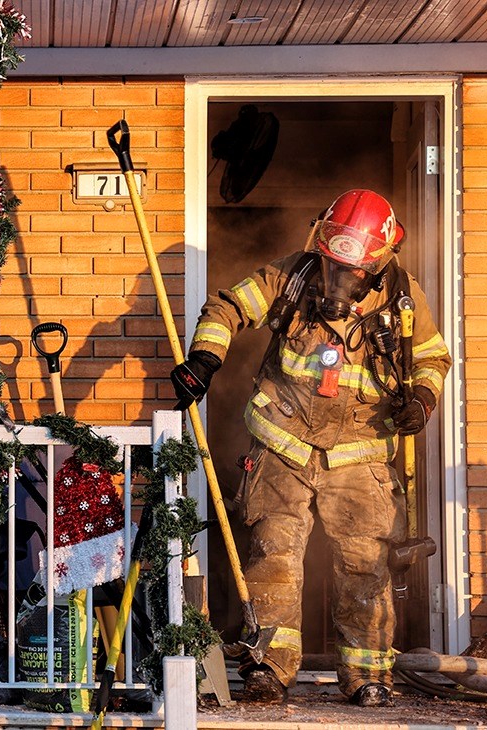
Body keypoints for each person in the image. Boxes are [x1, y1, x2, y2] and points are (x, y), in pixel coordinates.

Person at [171, 190, 451, 707]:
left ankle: (368, 676)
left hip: (362, 454)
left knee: (365, 566)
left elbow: (432, 357)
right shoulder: (291, 276)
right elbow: (227, 306)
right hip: (283, 445)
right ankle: (268, 668)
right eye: (331, 265)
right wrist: (205, 360)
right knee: (273, 556)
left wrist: (424, 399)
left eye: (350, 271)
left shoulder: (405, 300)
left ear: (378, 264)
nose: (336, 280)